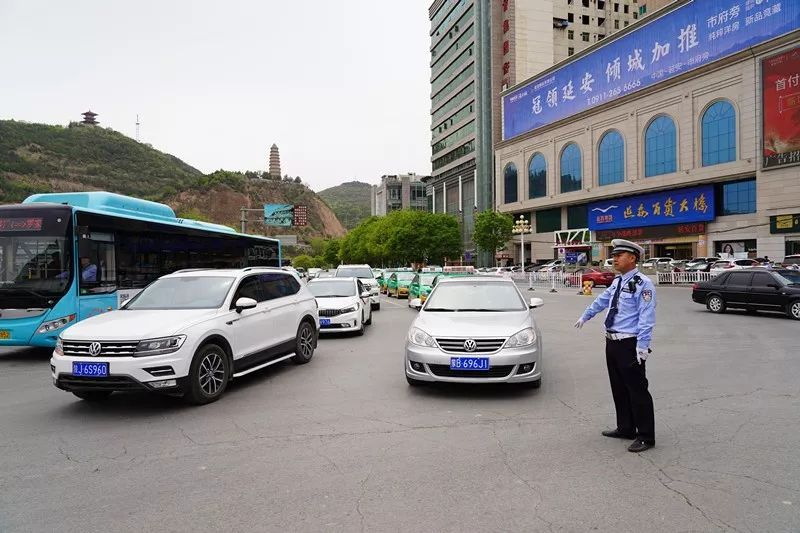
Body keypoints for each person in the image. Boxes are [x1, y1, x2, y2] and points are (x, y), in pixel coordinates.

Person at [573, 239, 657, 453]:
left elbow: (647, 317)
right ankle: (626, 427)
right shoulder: (617, 282)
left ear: (632, 258)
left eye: (620, 255)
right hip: (612, 342)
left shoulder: (643, 284)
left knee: (637, 390)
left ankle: (646, 435)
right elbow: (601, 300)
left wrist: (643, 346)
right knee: (618, 388)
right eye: (615, 254)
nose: (615, 258)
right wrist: (586, 315)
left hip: (630, 343)